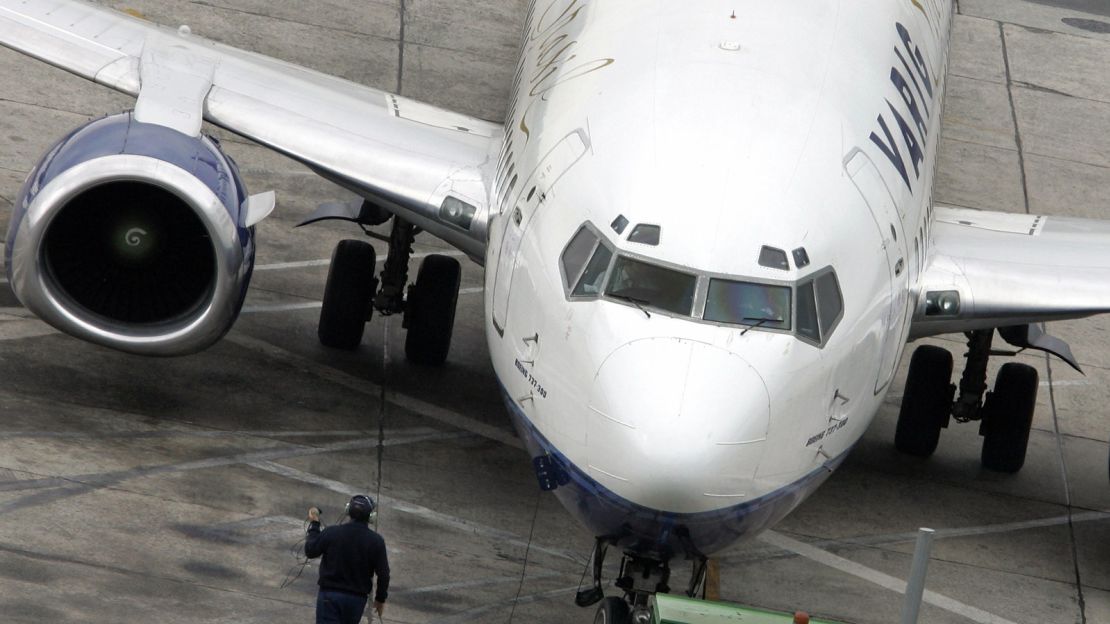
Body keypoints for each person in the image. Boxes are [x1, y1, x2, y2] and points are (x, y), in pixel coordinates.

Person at [305, 495, 390, 623]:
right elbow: (384, 575)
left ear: (348, 510)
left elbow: (310, 551)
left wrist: (315, 524)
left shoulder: (331, 532)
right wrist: (380, 599)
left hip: (329, 596)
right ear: (371, 516)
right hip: (356, 601)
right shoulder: (376, 542)